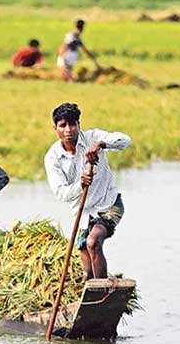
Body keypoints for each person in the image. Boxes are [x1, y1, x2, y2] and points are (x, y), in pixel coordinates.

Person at [44, 103, 130, 280]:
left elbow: (125, 140)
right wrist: (80, 185)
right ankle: (96, 285)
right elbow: (61, 193)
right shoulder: (53, 158)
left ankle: (103, 290)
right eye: (63, 125)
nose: (68, 130)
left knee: (93, 242)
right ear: (55, 128)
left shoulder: (93, 137)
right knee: (88, 272)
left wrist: (101, 145)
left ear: (78, 124)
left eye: (72, 124)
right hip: (82, 214)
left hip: (108, 204)